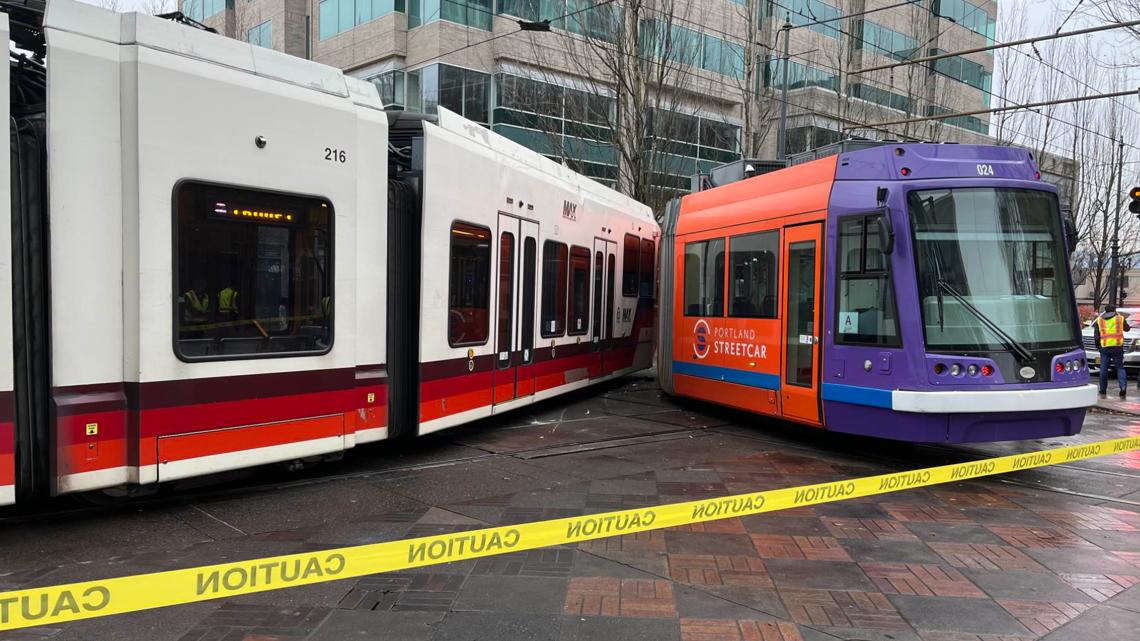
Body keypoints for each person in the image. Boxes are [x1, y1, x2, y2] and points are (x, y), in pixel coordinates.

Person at [1095, 304, 1131, 399]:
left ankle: (1103, 389)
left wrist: (1098, 347)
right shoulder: (1120, 318)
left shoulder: (1099, 320)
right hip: (1117, 347)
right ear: (1114, 310)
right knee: (1120, 368)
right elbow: (1127, 329)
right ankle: (1123, 388)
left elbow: (1097, 336)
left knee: (1103, 369)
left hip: (1105, 348)